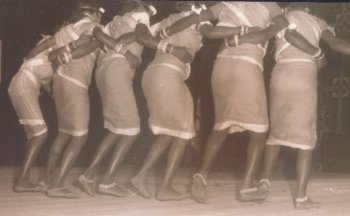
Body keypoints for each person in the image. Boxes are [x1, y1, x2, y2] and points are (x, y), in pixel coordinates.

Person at [159, 1, 322, 203]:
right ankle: (246, 186)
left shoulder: (225, 4)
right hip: (247, 65)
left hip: (221, 66)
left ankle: (201, 175)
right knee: (260, 130)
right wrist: (265, 31)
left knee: (222, 125)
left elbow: (206, 30)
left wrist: (167, 32)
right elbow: (269, 34)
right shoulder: (269, 6)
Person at [257, 2, 350, 210]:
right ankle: (300, 198)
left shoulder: (279, 15)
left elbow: (282, 36)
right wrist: (318, 54)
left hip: (280, 74)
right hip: (303, 73)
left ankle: (264, 181)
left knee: (276, 132)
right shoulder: (317, 21)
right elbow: (335, 44)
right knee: (307, 138)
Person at [76, 0, 156, 198]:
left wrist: (125, 42)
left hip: (103, 71)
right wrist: (161, 45)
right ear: (141, 7)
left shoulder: (113, 22)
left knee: (117, 128)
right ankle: (106, 181)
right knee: (131, 129)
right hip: (118, 68)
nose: (149, 14)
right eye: (148, 10)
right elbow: (142, 36)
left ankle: (88, 176)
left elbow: (111, 39)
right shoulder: (141, 15)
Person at [37, 0, 104, 199]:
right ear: (92, 14)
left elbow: (50, 56)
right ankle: (57, 185)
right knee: (80, 136)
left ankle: (46, 180)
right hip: (75, 81)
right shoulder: (93, 26)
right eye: (99, 14)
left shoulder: (64, 30)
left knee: (64, 133)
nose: (101, 17)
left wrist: (64, 55)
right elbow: (93, 44)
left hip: (59, 83)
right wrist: (69, 57)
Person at [8, 35, 57, 193]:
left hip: (23, 85)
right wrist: (51, 41)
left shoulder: (53, 58)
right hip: (25, 83)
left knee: (32, 135)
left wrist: (58, 96)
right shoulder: (51, 41)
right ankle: (22, 180)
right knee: (41, 134)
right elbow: (31, 54)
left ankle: (24, 178)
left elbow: (46, 85)